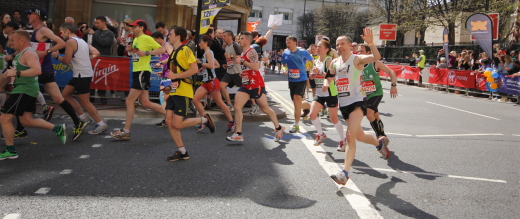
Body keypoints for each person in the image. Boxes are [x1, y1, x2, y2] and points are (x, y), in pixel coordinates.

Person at [329, 29, 390, 186]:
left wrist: (370, 42)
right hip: (344, 104)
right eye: (337, 44)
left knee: (350, 136)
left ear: (350, 45)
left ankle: (345, 173)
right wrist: (327, 85)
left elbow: (376, 57)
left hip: (358, 102)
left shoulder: (357, 59)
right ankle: (380, 144)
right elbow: (331, 79)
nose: (340, 46)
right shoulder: (334, 63)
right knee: (359, 136)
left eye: (343, 43)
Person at [0, 30, 67, 160]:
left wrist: (16, 73)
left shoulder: (29, 52)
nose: (10, 43)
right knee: (26, 120)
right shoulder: (21, 53)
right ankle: (58, 128)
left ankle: (11, 150)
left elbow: (37, 70)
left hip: (24, 90)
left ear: (21, 40)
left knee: (4, 118)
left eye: (12, 40)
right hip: (26, 90)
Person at [26, 7, 86, 140]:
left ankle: (19, 127)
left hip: (41, 69)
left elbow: (61, 42)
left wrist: (46, 52)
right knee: (58, 99)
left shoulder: (43, 29)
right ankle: (77, 122)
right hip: (43, 69)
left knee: (22, 95)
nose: (28, 16)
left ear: (36, 16)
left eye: (30, 14)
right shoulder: (36, 31)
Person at [161, 27, 212, 161]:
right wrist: (168, 83)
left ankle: (205, 119)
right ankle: (182, 151)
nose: (168, 37)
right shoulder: (173, 52)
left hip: (183, 91)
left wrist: (176, 75)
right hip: (174, 91)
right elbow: (173, 73)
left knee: (177, 124)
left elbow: (194, 69)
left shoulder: (185, 50)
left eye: (170, 34)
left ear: (178, 37)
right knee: (168, 121)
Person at [110, 20, 166, 140]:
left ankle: (126, 131)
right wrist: (131, 50)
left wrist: (146, 52)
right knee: (145, 103)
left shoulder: (147, 38)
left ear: (141, 28)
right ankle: (171, 115)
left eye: (134, 27)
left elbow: (162, 50)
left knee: (129, 101)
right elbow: (137, 54)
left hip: (143, 72)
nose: (132, 29)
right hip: (137, 71)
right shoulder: (135, 39)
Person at [226, 31, 284, 142]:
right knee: (237, 106)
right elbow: (248, 68)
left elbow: (256, 67)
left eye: (241, 38)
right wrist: (243, 73)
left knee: (265, 108)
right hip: (246, 84)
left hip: (256, 84)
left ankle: (278, 127)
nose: (239, 40)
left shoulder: (251, 51)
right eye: (239, 38)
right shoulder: (243, 52)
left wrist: (242, 61)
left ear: (248, 40)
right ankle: (238, 133)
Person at [53, 23, 109, 136]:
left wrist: (56, 56)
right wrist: (84, 59)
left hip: (81, 74)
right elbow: (96, 53)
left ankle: (101, 123)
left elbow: (66, 61)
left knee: (84, 101)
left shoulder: (70, 42)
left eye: (62, 32)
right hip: (80, 73)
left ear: (67, 31)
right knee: (65, 94)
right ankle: (83, 117)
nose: (61, 35)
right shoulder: (82, 41)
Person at [358, 43, 398, 151]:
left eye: (361, 51)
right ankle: (383, 136)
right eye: (358, 51)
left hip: (376, 93)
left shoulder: (375, 63)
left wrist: (393, 85)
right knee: (376, 116)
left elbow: (391, 72)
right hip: (364, 95)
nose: (359, 53)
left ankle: (379, 138)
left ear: (368, 53)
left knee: (369, 114)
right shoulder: (357, 65)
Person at [193, 34, 235, 133]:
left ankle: (231, 121)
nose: (199, 44)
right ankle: (205, 119)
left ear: (206, 43)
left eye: (201, 42)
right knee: (195, 100)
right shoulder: (208, 53)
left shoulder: (208, 52)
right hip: (206, 82)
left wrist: (200, 63)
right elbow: (217, 65)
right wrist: (203, 68)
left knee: (219, 102)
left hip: (211, 82)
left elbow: (211, 66)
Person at [306, 40, 344, 149]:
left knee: (333, 118)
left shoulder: (329, 61)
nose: (317, 48)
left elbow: (332, 77)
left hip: (330, 92)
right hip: (319, 92)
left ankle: (343, 140)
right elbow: (315, 74)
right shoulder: (316, 61)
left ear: (327, 49)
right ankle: (321, 134)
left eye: (320, 47)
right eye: (317, 46)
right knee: (312, 114)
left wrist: (318, 73)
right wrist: (312, 76)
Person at [281, 36, 313, 133]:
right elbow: (283, 64)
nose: (288, 44)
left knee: (296, 99)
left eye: (289, 42)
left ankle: (296, 125)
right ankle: (310, 107)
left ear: (295, 43)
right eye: (287, 43)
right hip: (292, 80)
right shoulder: (285, 53)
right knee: (296, 102)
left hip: (302, 79)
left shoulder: (303, 52)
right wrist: (284, 69)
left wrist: (310, 71)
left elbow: (312, 61)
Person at [90, 16, 115, 103]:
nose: (96, 25)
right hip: (93, 58)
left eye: (98, 23)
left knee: (102, 78)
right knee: (92, 77)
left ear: (104, 23)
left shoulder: (110, 34)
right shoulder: (96, 32)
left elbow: (104, 42)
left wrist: (94, 34)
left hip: (104, 58)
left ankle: (102, 97)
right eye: (95, 23)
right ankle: (91, 96)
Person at [151, 31, 173, 127]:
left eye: (154, 39)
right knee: (164, 99)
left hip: (169, 75)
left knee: (164, 97)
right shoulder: (160, 48)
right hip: (165, 74)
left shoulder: (167, 45)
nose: (153, 41)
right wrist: (162, 71)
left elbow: (172, 56)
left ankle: (169, 119)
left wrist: (160, 63)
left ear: (159, 38)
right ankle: (167, 119)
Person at [221, 30, 243, 111]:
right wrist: (227, 65)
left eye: (224, 36)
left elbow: (241, 56)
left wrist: (231, 56)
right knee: (222, 85)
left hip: (237, 72)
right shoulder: (227, 46)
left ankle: (254, 104)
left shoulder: (235, 45)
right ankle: (229, 105)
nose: (223, 37)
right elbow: (230, 59)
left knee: (246, 88)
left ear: (230, 37)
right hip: (229, 71)